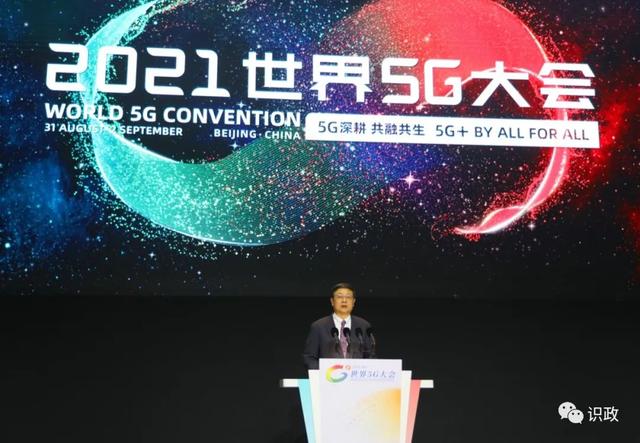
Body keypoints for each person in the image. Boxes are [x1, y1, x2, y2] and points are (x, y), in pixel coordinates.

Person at [302, 282, 375, 370]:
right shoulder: (318, 326)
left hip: (356, 376)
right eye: (339, 297)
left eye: (348, 297)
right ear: (332, 301)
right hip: (328, 376)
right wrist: (324, 372)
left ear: (353, 302)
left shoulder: (363, 326)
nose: (344, 300)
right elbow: (309, 358)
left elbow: (370, 356)